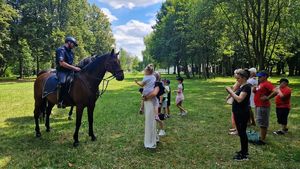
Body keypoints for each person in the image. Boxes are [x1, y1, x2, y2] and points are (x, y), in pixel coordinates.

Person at [225, 69, 251, 161]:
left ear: (244, 78)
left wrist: (230, 91)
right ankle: (243, 151)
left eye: (238, 78)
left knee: (242, 133)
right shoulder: (242, 86)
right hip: (238, 113)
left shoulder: (247, 87)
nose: (237, 80)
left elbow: (239, 99)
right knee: (241, 133)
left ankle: (244, 155)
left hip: (242, 113)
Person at [55, 36, 81, 108]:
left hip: (70, 71)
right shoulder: (61, 50)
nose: (74, 46)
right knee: (63, 83)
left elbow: (70, 63)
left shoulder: (71, 52)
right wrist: (74, 68)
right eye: (73, 44)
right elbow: (62, 63)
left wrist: (77, 67)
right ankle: (60, 101)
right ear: (69, 42)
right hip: (62, 71)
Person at [253, 70, 275, 145]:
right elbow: (259, 92)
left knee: (263, 123)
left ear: (265, 76)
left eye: (260, 76)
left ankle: (262, 140)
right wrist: (254, 90)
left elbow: (276, 91)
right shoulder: (261, 84)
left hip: (263, 106)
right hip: (258, 105)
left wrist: (268, 97)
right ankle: (261, 136)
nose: (258, 78)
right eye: (258, 76)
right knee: (260, 121)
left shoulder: (267, 84)